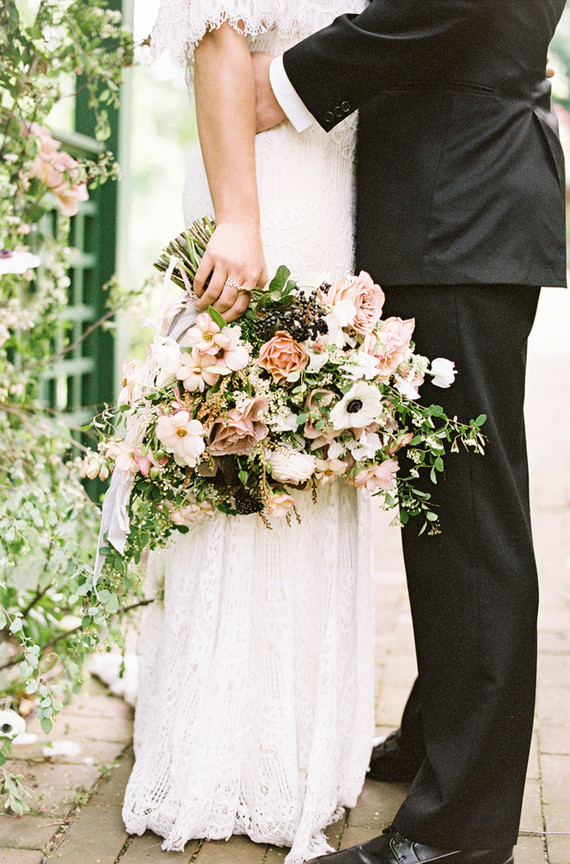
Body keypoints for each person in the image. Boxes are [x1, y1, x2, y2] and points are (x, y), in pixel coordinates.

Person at [252, 1, 567, 863]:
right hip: (458, 202)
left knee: (471, 522)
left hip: (459, 203)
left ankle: (457, 833)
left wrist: (284, 81)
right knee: (445, 501)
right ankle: (439, 738)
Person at [121, 2, 376, 863]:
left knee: (311, 449)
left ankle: (301, 740)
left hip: (326, 191)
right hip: (264, 191)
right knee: (245, 441)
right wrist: (239, 219)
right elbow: (219, 38)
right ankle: (222, 747)